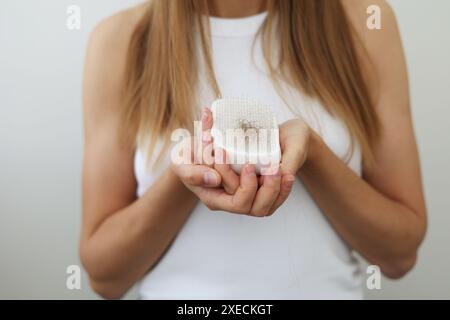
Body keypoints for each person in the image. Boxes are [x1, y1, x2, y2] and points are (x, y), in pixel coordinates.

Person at [80, 0, 427, 299]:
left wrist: (313, 155)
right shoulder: (120, 41)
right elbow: (105, 277)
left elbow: (399, 255)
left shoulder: (366, 23)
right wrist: (189, 174)